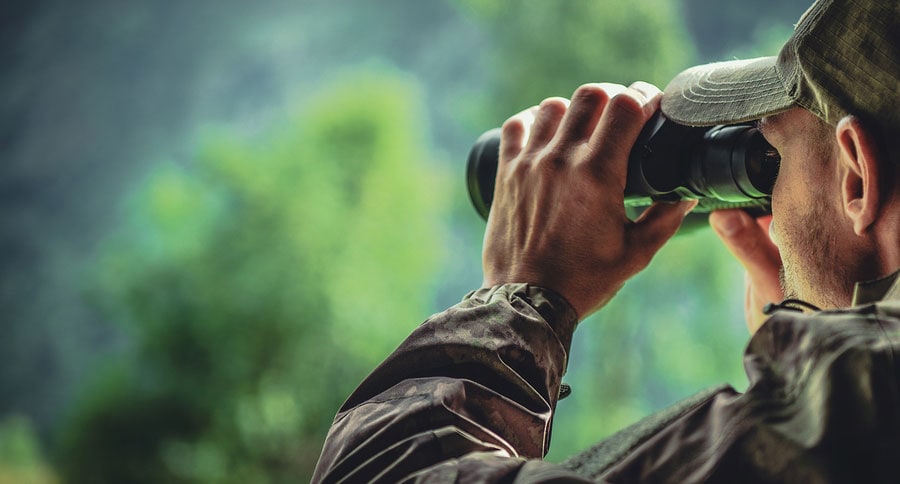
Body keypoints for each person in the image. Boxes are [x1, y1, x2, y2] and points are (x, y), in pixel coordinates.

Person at [312, 0, 900, 481]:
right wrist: (831, 302)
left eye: (776, 155)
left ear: (856, 175)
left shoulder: (864, 399)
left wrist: (521, 295)